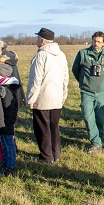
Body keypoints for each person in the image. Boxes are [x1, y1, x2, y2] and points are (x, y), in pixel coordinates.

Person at [26, 28, 69, 163]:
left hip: (43, 98)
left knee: (42, 129)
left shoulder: (41, 56)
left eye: (38, 38)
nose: (36, 40)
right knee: (54, 127)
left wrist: (31, 99)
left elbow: (35, 80)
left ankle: (46, 156)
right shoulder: (61, 55)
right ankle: (56, 154)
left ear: (43, 40)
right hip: (56, 98)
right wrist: (63, 95)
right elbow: (65, 77)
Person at [72, 31, 104, 154]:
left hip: (101, 92)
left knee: (99, 118)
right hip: (87, 91)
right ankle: (96, 143)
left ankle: (99, 140)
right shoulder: (83, 53)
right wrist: (84, 81)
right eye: (94, 41)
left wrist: (102, 82)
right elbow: (75, 69)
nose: (96, 43)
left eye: (99, 42)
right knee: (88, 117)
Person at [0, 63, 21, 177]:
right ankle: (5, 162)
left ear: (1, 75)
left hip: (6, 121)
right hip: (2, 120)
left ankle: (10, 167)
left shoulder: (7, 89)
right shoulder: (3, 87)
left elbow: (9, 108)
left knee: (9, 144)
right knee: (3, 142)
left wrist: (5, 121)